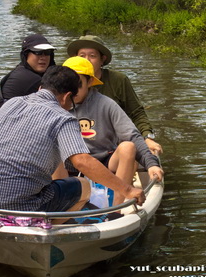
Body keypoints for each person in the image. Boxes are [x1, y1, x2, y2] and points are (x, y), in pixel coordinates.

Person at [0, 65, 145, 216]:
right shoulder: (62, 117)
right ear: (67, 97)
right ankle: (55, 225)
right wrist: (127, 190)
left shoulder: (11, 103)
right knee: (82, 186)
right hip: (19, 209)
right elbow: (83, 162)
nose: (70, 108)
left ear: (40, 88)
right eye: (71, 103)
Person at [62, 57, 164, 206]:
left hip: (104, 162)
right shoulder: (56, 103)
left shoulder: (106, 104)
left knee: (128, 147)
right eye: (67, 85)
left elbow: (132, 135)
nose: (72, 90)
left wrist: (151, 164)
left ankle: (116, 209)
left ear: (90, 82)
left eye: (78, 84)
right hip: (69, 164)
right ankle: (58, 208)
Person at [67, 35, 163, 155]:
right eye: (82, 56)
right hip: (76, 143)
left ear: (102, 59)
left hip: (112, 145)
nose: (87, 60)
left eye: (92, 56)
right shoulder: (65, 81)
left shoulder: (118, 80)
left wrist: (147, 137)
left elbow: (136, 113)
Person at [0, 33, 56, 125]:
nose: (43, 57)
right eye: (38, 52)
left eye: (47, 53)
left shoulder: (21, 70)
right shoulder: (29, 78)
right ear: (26, 55)